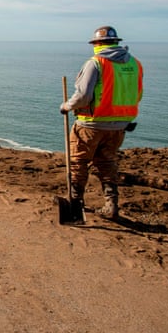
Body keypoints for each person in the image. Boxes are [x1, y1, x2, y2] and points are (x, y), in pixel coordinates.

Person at [60, 26, 143, 220]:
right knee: (107, 163)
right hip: (120, 126)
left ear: (96, 44)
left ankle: (76, 204)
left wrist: (66, 106)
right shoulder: (135, 64)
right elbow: (138, 94)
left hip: (91, 124)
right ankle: (111, 204)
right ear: (116, 42)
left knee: (78, 162)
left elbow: (82, 96)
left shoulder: (96, 63)